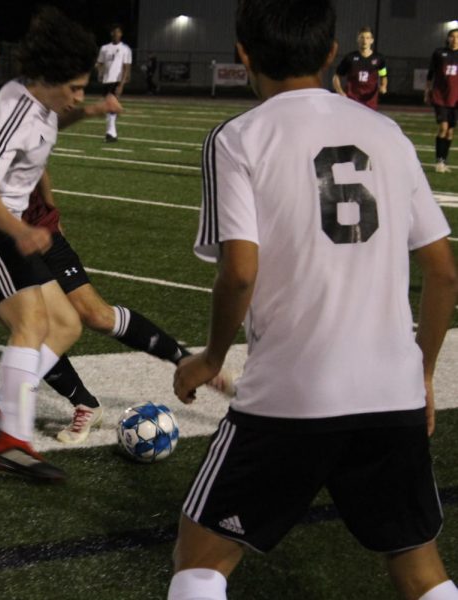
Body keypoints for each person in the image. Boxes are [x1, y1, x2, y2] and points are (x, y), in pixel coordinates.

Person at [169, 1, 458, 599]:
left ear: (243, 54)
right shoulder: (388, 133)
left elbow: (240, 273)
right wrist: (423, 374)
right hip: (391, 394)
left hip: (290, 395)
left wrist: (211, 357)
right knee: (421, 573)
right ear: (332, 52)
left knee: (199, 560)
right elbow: (445, 273)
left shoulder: (239, 137)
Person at [0, 12, 234, 450]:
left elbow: (33, 148)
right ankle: (54, 411)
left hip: (37, 227)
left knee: (89, 316)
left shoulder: (3, 105)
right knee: (44, 324)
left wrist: (50, 198)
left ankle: (180, 359)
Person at [0, 7, 111, 482]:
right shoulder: (7, 110)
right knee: (31, 322)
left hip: (10, 224)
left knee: (67, 323)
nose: (78, 95)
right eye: (74, 88)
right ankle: (12, 444)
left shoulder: (36, 104)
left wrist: (88, 111)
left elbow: (43, 132)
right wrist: (24, 232)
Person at [425, 28, 458, 174]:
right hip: (440, 97)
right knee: (443, 128)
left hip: (456, 98)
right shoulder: (439, 53)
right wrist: (427, 92)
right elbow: (430, 74)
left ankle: (444, 161)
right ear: (448, 38)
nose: (455, 39)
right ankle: (438, 161)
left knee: (450, 132)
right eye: (452, 37)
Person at [332, 26, 387, 110]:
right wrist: (340, 92)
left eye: (368, 38)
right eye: (362, 37)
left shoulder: (379, 58)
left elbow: (383, 75)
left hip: (370, 102)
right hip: (352, 100)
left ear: (372, 40)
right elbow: (336, 76)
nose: (365, 41)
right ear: (358, 39)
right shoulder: (350, 58)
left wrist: (383, 86)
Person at [96, 24, 132, 142]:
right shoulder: (104, 48)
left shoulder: (125, 49)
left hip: (117, 80)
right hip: (106, 80)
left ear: (121, 34)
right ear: (111, 33)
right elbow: (100, 63)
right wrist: (99, 71)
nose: (116, 34)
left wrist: (122, 84)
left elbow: (126, 67)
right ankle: (111, 133)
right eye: (114, 32)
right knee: (108, 107)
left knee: (112, 106)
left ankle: (111, 134)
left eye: (118, 32)